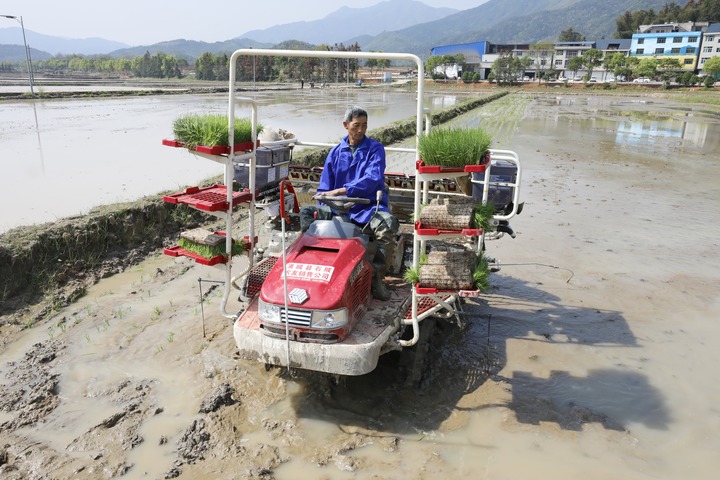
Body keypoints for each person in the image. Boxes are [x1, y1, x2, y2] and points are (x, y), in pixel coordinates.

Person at [300, 106, 399, 300]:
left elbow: (372, 178)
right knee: (306, 214)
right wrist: (324, 201)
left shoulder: (375, 149)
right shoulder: (336, 152)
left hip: (367, 208)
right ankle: (312, 266)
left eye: (364, 125)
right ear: (346, 125)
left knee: (388, 225)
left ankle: (377, 277)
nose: (361, 130)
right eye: (356, 125)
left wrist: (341, 190)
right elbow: (325, 187)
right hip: (337, 208)